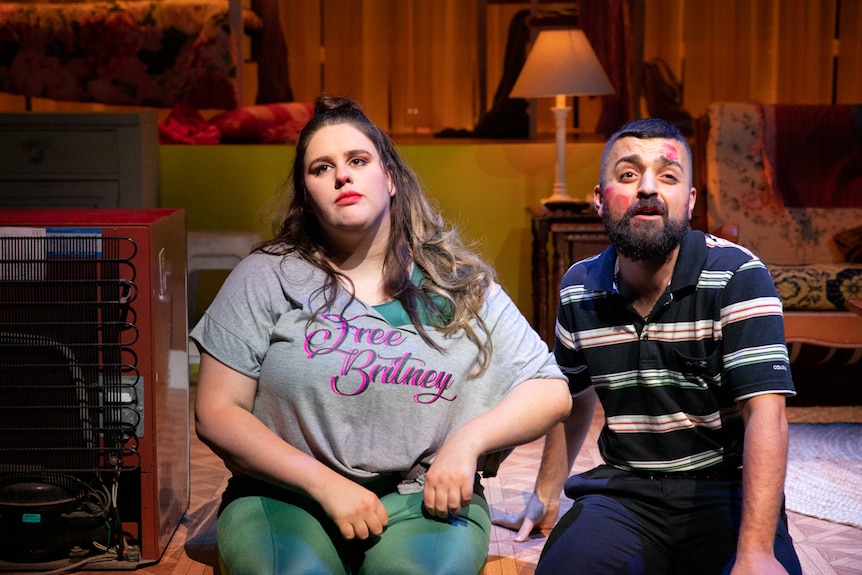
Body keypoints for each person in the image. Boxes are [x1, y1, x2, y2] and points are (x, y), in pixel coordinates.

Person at [190, 95, 572, 575]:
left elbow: (550, 388)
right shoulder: (265, 276)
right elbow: (217, 412)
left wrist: (466, 443)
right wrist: (326, 485)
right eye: (321, 168)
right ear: (307, 194)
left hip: (423, 498)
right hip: (287, 497)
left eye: (357, 160)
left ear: (389, 178)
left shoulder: (455, 279)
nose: (341, 176)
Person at [495, 118, 803, 575]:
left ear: (690, 201)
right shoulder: (579, 288)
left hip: (724, 492)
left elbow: (766, 413)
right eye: (627, 174)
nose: (647, 188)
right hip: (625, 491)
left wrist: (756, 551)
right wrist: (544, 493)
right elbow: (570, 400)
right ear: (599, 201)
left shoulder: (739, 276)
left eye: (668, 175)